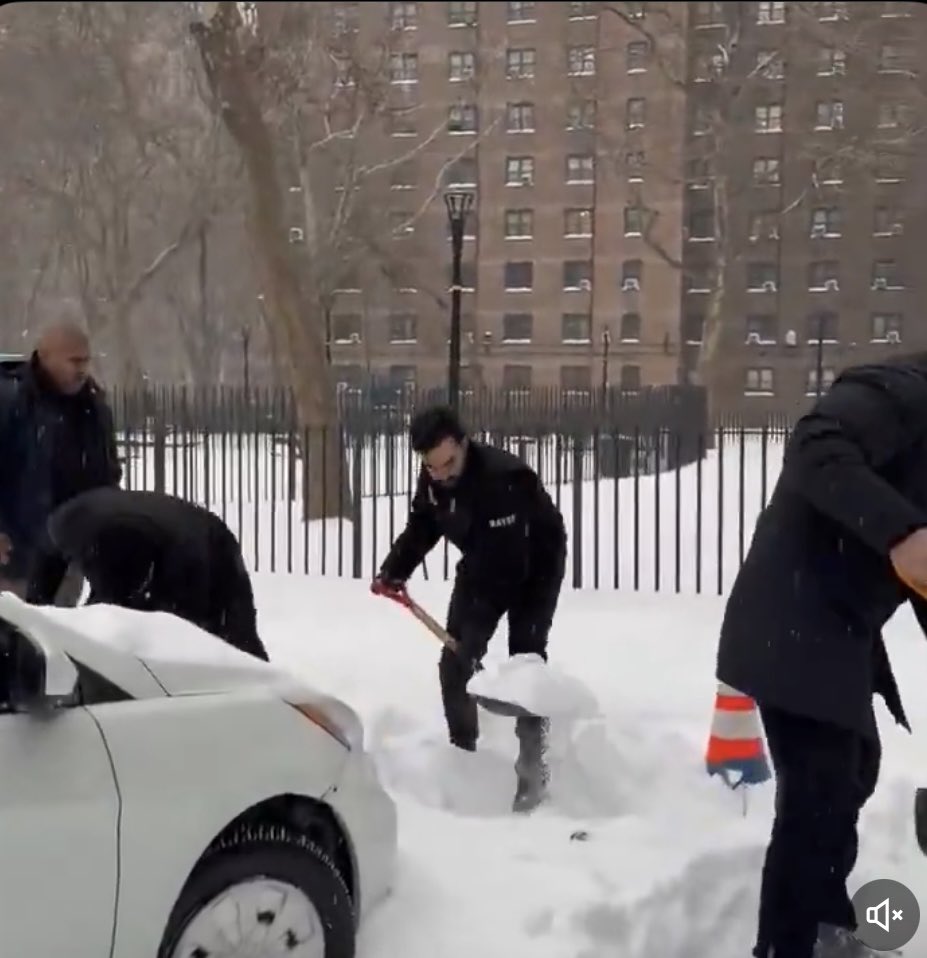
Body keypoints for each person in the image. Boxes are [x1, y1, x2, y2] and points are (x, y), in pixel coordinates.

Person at [715, 353, 927, 958]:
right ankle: (786, 945)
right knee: (817, 793)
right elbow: (814, 443)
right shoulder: (900, 390)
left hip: (835, 625)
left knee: (850, 772)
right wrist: (900, 531)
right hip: (794, 615)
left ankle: (824, 925)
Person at [371, 405, 567, 812]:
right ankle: (464, 756)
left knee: (525, 659)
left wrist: (476, 632)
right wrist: (394, 570)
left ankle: (533, 771)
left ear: (463, 444)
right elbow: (423, 525)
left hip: (535, 561)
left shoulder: (503, 479)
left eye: (447, 463)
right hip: (483, 558)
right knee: (453, 664)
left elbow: (510, 569)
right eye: (431, 467)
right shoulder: (432, 479)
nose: (440, 475)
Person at [25, 487, 269, 662]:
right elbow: (44, 586)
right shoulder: (72, 521)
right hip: (210, 531)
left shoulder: (92, 535)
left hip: (184, 551)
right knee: (241, 639)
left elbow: (112, 604)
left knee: (187, 646)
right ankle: (275, 696)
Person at [0, 323, 121, 602]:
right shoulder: (11, 401)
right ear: (44, 356)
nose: (81, 369)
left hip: (68, 553)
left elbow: (106, 473)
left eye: (86, 360)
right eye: (73, 360)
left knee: (56, 636)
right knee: (15, 638)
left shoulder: (93, 408)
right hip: (14, 554)